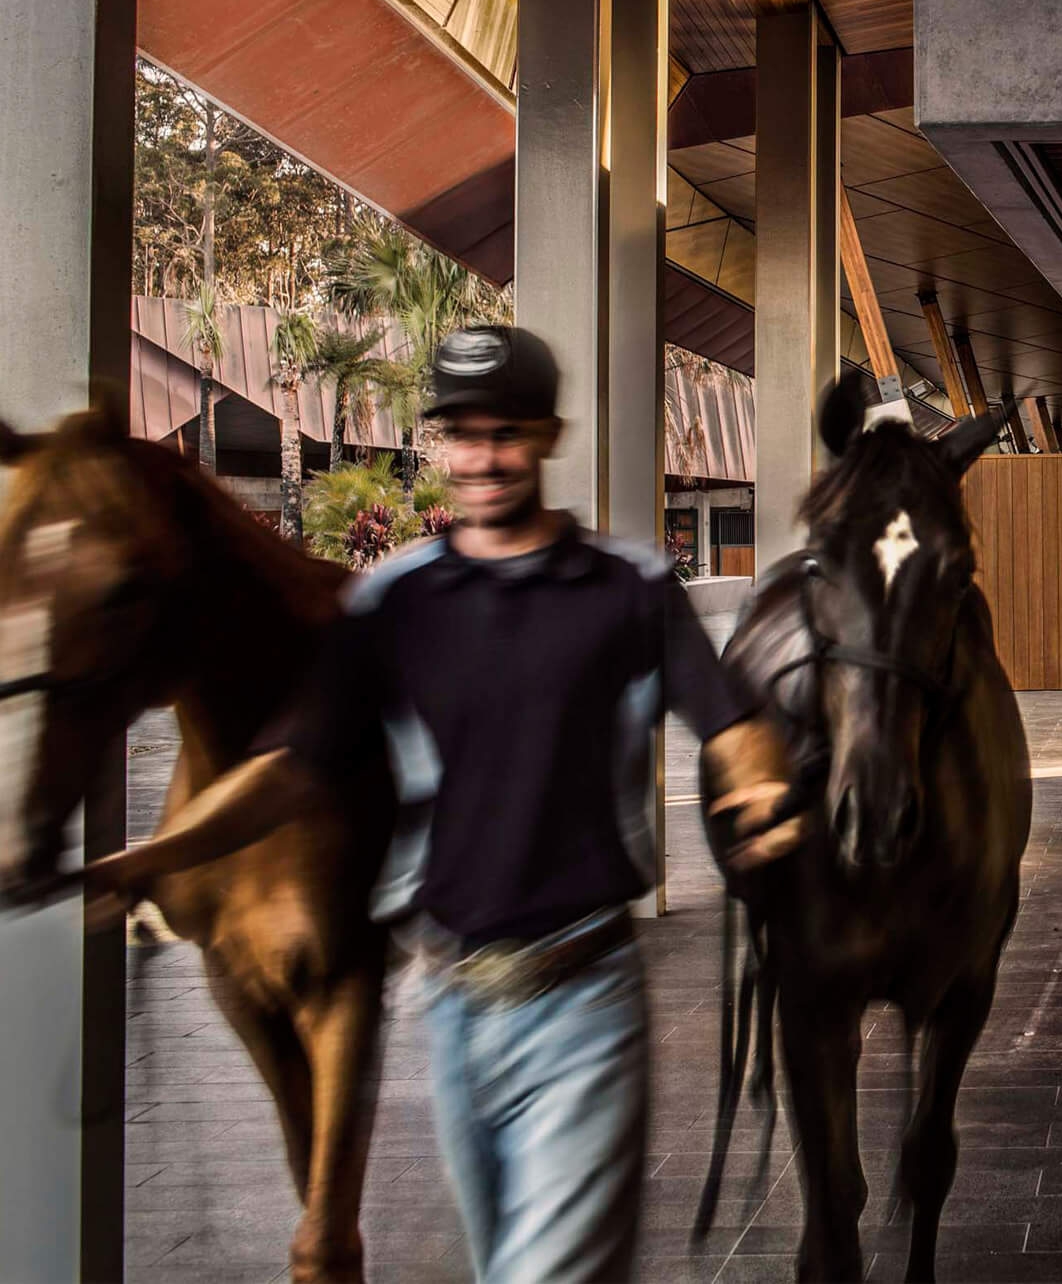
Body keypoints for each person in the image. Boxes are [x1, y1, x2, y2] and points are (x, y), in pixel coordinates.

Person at [92, 325, 801, 1282]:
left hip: (584, 1001)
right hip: (455, 1009)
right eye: (462, 434)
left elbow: (729, 715)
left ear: (549, 436)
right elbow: (294, 767)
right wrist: (152, 857)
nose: (483, 458)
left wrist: (759, 782)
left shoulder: (625, 586)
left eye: (506, 433)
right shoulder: (394, 601)